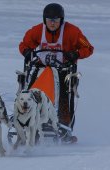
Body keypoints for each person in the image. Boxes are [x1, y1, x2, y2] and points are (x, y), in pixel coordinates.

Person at [19, 3, 94, 143]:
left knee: (64, 97)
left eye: (56, 20)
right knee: (30, 93)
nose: (52, 23)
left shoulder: (73, 32)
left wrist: (76, 54)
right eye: (49, 20)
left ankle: (65, 127)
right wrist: (27, 52)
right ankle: (27, 121)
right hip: (41, 68)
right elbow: (24, 44)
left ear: (61, 20)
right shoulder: (37, 31)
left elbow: (88, 48)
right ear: (44, 20)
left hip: (63, 70)